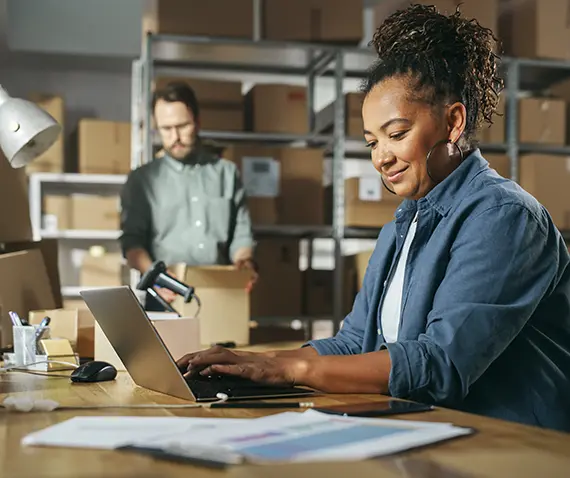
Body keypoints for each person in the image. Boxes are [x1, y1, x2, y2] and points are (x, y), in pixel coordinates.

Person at [176, 4, 570, 432]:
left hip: (514, 445)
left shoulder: (504, 217)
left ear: (453, 122)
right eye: (371, 142)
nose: (381, 157)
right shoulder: (402, 227)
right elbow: (354, 343)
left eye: (396, 134)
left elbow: (440, 365)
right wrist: (258, 363)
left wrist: (289, 372)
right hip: (435, 432)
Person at [120, 81, 258, 308]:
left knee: (225, 345)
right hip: (165, 296)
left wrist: (244, 262)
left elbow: (241, 234)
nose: (175, 136)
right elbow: (132, 243)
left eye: (182, 126)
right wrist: (156, 277)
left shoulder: (227, 173)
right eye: (166, 129)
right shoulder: (141, 180)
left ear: (197, 122)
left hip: (220, 294)